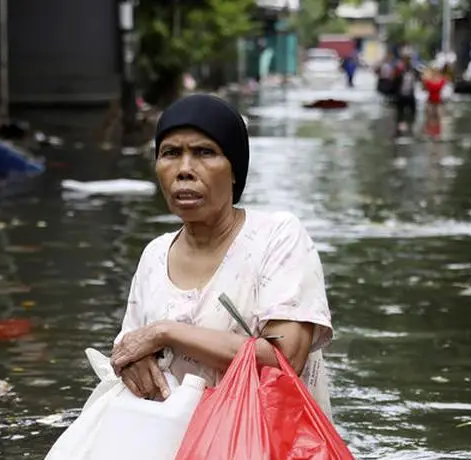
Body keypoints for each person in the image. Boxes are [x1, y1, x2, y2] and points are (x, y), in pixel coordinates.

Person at [109, 94, 334, 416]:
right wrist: (132, 363)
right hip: (177, 448)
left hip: (263, 447)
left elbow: (285, 360)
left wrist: (166, 332)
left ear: (233, 171)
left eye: (205, 152)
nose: (184, 169)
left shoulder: (277, 237)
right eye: (170, 153)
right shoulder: (155, 254)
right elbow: (129, 347)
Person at [388, 52, 419, 133]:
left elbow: (418, 79)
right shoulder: (399, 70)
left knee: (412, 113)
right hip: (401, 96)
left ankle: (409, 127)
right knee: (400, 114)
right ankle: (399, 129)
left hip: (410, 96)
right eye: (406, 60)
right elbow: (394, 83)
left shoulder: (413, 70)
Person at [422, 67, 448, 137]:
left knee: (438, 118)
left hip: (438, 102)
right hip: (430, 101)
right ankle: (430, 132)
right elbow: (424, 88)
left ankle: (437, 133)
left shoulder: (441, 80)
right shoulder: (428, 81)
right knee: (430, 117)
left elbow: (445, 88)